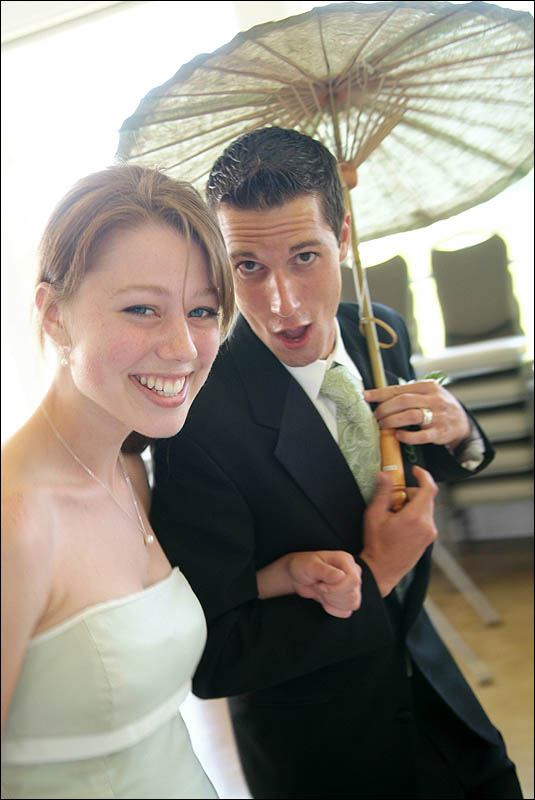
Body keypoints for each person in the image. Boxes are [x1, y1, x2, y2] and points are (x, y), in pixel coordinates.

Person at [150, 128, 523, 799]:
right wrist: (378, 571)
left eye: (305, 256)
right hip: (322, 751)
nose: (282, 303)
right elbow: (215, 657)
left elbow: (429, 462)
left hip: (442, 704)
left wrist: (461, 430)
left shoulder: (381, 330)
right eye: (247, 267)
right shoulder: (195, 418)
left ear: (343, 236)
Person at [0, 163, 362, 800]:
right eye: (142, 309)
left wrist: (279, 577)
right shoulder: (17, 523)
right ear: (54, 316)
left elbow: (109, 629)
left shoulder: (126, 470)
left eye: (201, 311)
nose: (184, 348)